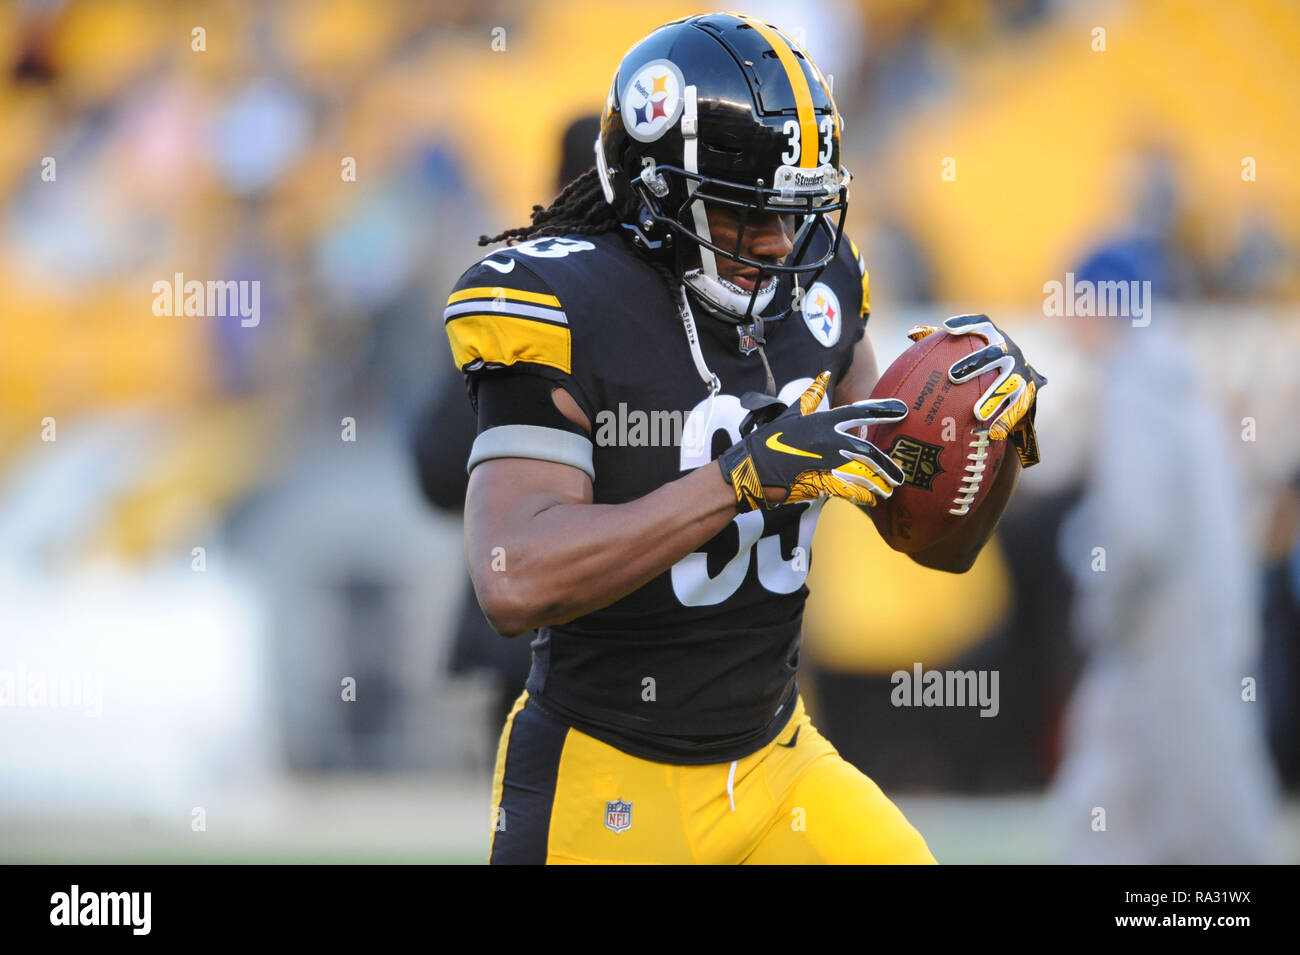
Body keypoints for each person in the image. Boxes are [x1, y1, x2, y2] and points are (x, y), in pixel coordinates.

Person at [440, 13, 1043, 864]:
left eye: (792, 214)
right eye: (741, 214)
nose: (777, 244)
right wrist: (737, 482)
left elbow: (924, 531)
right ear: (654, 193)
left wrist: (984, 443)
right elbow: (513, 575)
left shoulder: (817, 286)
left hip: (777, 762)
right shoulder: (568, 301)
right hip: (609, 777)